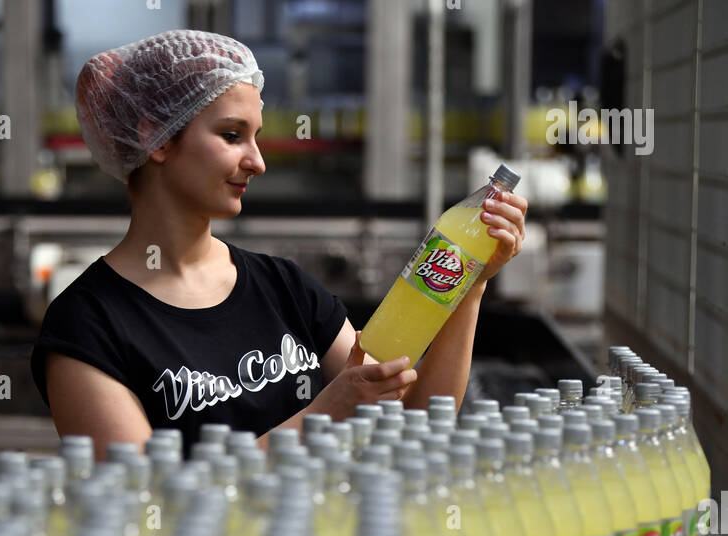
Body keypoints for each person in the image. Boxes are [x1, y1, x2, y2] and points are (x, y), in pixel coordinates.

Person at [31, 29, 527, 461]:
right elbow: (147, 504)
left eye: (257, 138)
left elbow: (419, 429)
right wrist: (322, 417)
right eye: (232, 135)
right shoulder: (88, 325)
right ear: (156, 138)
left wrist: (472, 281)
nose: (257, 162)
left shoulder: (282, 288)